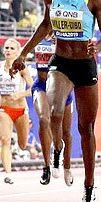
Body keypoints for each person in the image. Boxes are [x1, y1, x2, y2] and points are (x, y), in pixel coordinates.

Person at [11, 0, 101, 202]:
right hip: (62, 62)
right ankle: (58, 150)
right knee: (55, 111)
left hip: (85, 64)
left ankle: (89, 186)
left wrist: (98, 47)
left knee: (85, 128)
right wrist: (23, 53)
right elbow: (45, 26)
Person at [0, 38, 33, 184]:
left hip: (21, 109)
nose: (8, 51)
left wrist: (20, 94)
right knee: (5, 140)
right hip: (4, 109)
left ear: (18, 52)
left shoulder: (22, 68)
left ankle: (21, 148)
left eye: (11, 48)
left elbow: (33, 88)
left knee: (23, 145)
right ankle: (8, 174)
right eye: (6, 48)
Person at [32, 32, 75, 186]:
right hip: (43, 86)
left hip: (64, 88)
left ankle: (66, 165)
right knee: (44, 119)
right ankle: (46, 166)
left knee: (66, 132)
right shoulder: (42, 41)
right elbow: (43, 76)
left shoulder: (70, 42)